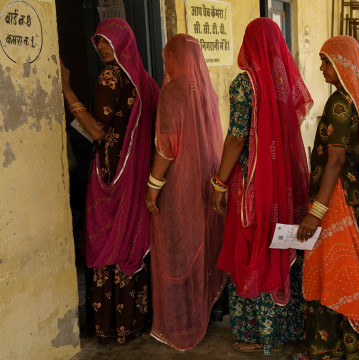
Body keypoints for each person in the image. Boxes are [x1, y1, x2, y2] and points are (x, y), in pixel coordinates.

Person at [212, 18, 314, 357]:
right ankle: (290, 326)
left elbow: (238, 137)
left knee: (252, 248)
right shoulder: (283, 79)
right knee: (282, 246)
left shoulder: (245, 83)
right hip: (285, 182)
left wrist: (218, 181)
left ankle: (258, 333)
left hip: (253, 184)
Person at [60, 18, 159, 344]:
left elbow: (98, 130)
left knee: (104, 243)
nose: (102, 48)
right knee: (129, 243)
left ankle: (108, 326)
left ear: (122, 44)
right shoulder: (146, 82)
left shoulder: (110, 76)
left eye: (108, 41)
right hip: (136, 179)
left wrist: (66, 90)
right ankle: (133, 322)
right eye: (99, 41)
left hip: (110, 179)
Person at [295, 35, 359, 360]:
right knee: (349, 270)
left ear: (343, 64)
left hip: (336, 200)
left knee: (331, 269)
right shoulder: (357, 100)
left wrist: (316, 212)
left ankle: (326, 345)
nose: (321, 68)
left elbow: (334, 160)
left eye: (326, 61)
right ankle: (353, 340)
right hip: (354, 194)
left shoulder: (338, 103)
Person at [143, 34, 226, 350]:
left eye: (168, 58)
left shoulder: (173, 91)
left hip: (179, 186)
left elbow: (166, 148)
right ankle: (206, 308)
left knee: (178, 250)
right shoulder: (205, 89)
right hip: (205, 182)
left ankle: (182, 320)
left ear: (175, 59)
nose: (167, 65)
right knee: (200, 243)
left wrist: (153, 186)